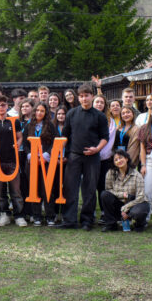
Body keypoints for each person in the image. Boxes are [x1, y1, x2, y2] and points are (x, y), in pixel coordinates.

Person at [60, 84, 109, 230]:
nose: (84, 99)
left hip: (92, 158)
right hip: (74, 156)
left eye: (86, 96)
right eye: (81, 96)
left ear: (92, 96)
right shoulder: (71, 113)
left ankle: (87, 221)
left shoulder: (100, 116)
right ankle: (69, 220)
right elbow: (65, 136)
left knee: (89, 189)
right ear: (78, 97)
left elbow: (105, 138)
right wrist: (61, 153)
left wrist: (97, 149)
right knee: (70, 188)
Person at [0, 95, 27, 227]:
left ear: (7, 106)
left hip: (12, 161)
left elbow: (20, 137)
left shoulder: (14, 121)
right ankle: (4, 215)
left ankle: (19, 216)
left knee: (16, 191)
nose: (1, 108)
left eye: (3, 105)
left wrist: (18, 144)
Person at [23, 102, 58, 226]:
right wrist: (29, 154)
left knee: (47, 189)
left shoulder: (50, 126)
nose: (39, 113)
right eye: (37, 110)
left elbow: (55, 142)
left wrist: (47, 154)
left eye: (42, 111)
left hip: (46, 161)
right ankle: (36, 216)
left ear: (46, 113)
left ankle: (50, 216)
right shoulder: (28, 125)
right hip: (32, 161)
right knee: (34, 189)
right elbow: (25, 144)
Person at [99, 150, 147, 232]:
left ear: (126, 159)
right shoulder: (110, 173)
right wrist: (121, 194)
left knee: (138, 211)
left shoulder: (137, 175)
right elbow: (109, 190)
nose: (119, 161)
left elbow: (140, 197)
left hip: (134, 202)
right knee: (105, 195)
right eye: (116, 160)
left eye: (120, 158)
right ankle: (111, 224)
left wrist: (126, 208)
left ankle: (139, 224)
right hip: (119, 203)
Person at [94, 95, 117, 209]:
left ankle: (104, 211)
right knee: (91, 186)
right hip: (90, 157)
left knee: (103, 185)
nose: (99, 104)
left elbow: (110, 140)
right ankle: (91, 211)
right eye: (97, 102)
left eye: (101, 102)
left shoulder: (110, 121)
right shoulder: (87, 117)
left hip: (105, 158)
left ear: (105, 105)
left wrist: (100, 151)